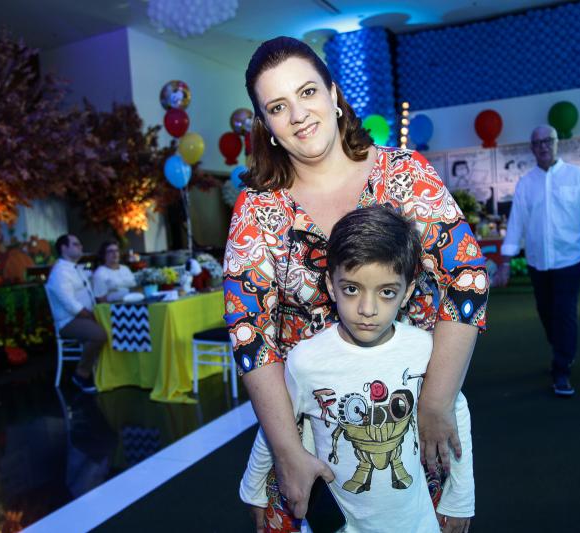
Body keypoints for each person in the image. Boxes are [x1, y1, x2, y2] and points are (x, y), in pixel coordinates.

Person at [223, 36, 488, 525]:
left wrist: (436, 401)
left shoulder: (403, 174)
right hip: (305, 431)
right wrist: (285, 451)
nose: (298, 115)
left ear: (333, 94)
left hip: (408, 420)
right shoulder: (258, 210)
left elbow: (467, 279)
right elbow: (249, 335)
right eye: (278, 107)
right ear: (266, 127)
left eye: (307, 92)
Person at [240, 207, 474, 533]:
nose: (367, 309)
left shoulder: (423, 349)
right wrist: (254, 489)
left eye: (386, 292)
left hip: (416, 523)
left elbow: (455, 413)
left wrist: (460, 498)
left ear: (406, 292)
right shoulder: (307, 360)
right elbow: (275, 424)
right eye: (351, 289)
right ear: (330, 284)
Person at [495, 125, 580, 396]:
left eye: (548, 141)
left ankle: (562, 369)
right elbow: (516, 223)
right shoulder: (526, 183)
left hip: (570, 258)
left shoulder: (577, 176)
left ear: (557, 143)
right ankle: (563, 349)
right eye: (537, 143)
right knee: (546, 311)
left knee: (565, 312)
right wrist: (505, 262)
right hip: (538, 261)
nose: (543, 146)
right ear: (532, 148)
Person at [46, 234, 107, 394]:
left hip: (85, 316)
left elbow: (93, 279)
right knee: (98, 335)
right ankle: (81, 375)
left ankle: (108, 374)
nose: (80, 247)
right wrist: (91, 316)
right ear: (64, 248)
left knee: (113, 327)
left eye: (79, 244)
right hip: (69, 321)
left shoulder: (77, 268)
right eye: (75, 244)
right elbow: (70, 304)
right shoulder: (60, 273)